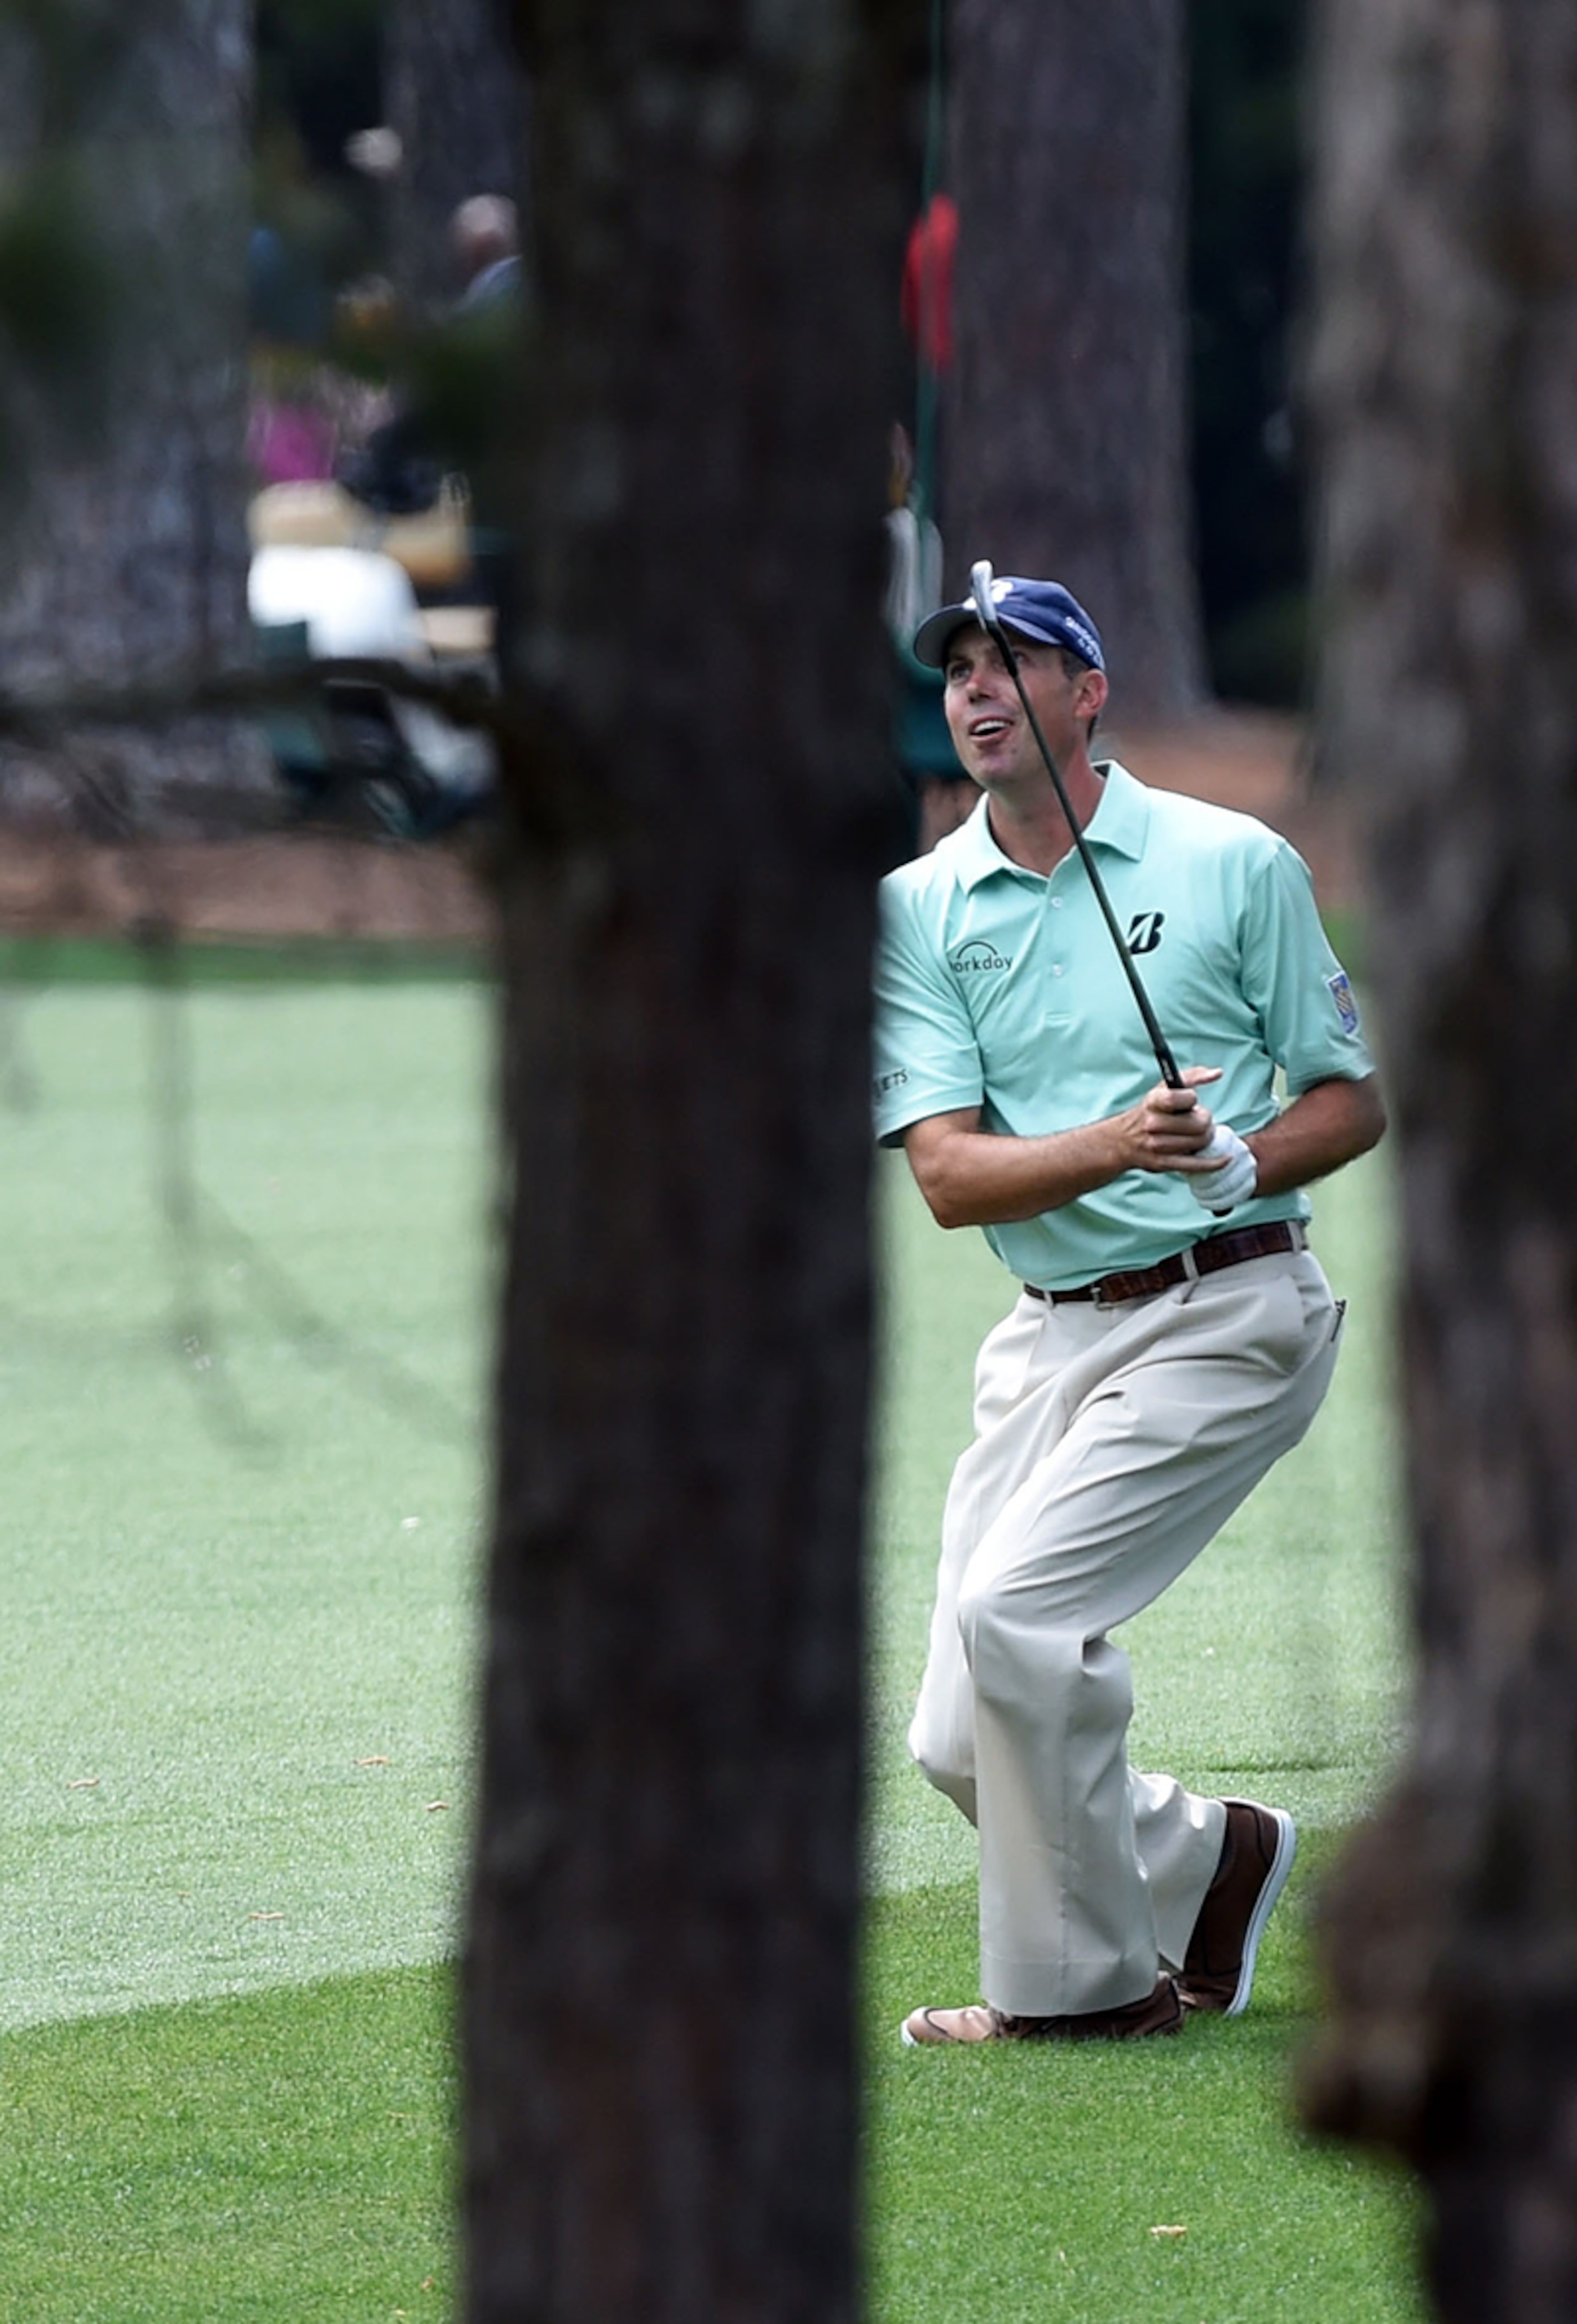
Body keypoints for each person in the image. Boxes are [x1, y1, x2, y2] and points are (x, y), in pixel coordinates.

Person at [872, 575, 1386, 2045]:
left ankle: (1089, 1999)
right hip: (1051, 1330)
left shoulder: (1236, 862)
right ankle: (1209, 1862)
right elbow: (953, 1178)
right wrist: (1124, 1143)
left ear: (1089, 693)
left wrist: (1241, 1157)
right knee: (960, 1731)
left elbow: (1351, 1097)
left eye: (1012, 663)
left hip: (1236, 1310)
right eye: (960, 668)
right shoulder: (918, 910)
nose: (978, 691)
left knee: (1015, 1617)